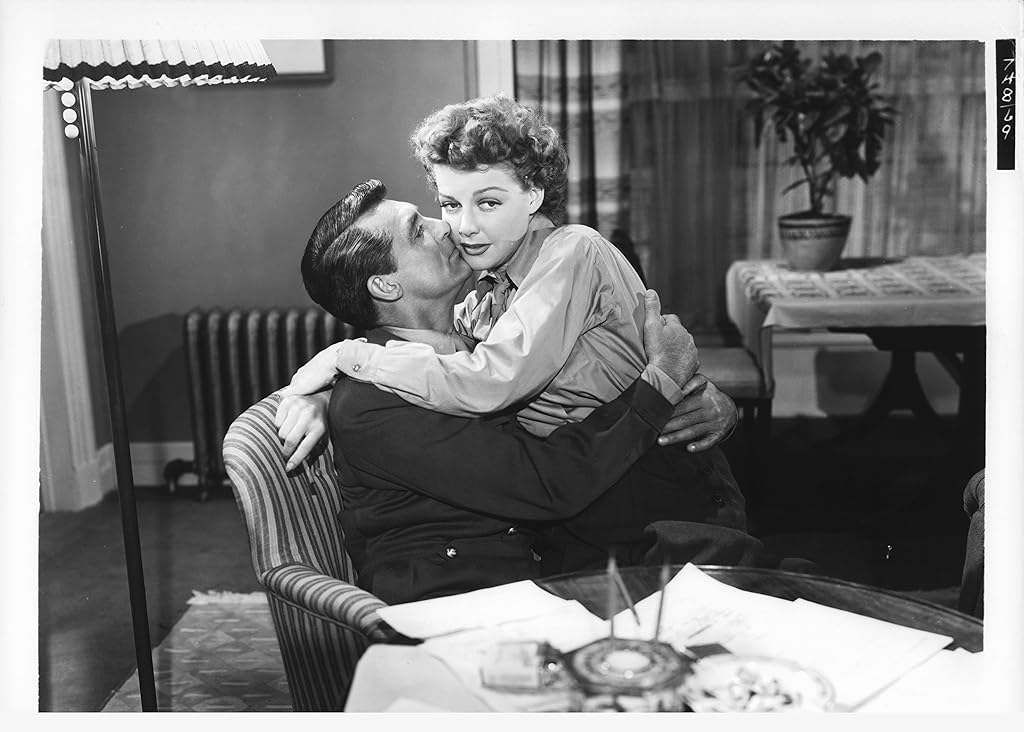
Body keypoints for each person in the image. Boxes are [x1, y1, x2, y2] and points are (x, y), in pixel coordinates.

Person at [285, 95, 746, 571]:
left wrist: (348, 357)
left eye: (488, 202)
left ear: (533, 195)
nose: (459, 227)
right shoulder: (486, 295)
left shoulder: (573, 252)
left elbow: (488, 379)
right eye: (448, 205)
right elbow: (445, 358)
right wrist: (327, 396)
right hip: (593, 516)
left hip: (667, 501)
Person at [298, 178, 703, 603]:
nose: (445, 226)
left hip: (533, 579)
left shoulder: (480, 334)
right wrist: (660, 386)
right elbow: (549, 483)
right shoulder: (375, 401)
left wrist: (697, 396)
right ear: (385, 286)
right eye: (418, 231)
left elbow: (594, 373)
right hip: (453, 601)